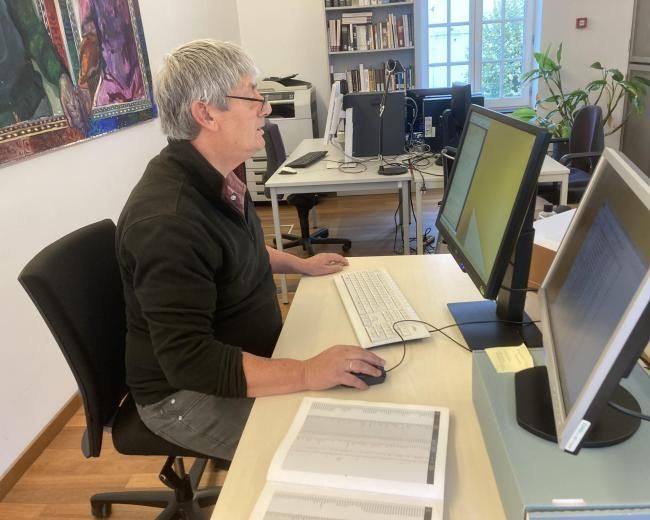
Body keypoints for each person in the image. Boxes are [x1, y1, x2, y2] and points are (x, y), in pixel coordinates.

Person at [116, 39, 385, 461]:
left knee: (347, 399)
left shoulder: (216, 176)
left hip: (240, 359)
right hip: (184, 395)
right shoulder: (167, 223)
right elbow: (191, 362)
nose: (266, 108)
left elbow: (237, 252)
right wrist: (306, 371)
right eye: (252, 95)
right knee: (328, 451)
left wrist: (300, 264)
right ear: (206, 113)